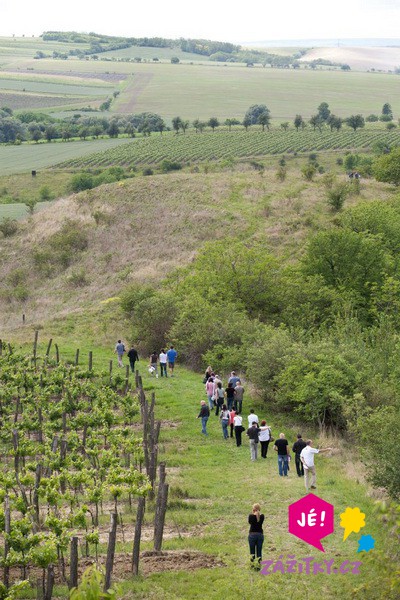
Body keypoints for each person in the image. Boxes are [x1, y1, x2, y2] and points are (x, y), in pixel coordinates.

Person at [248, 503, 264, 569]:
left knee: (252, 552)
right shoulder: (262, 516)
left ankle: (252, 566)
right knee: (259, 552)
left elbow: (250, 522)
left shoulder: (251, 516)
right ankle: (258, 567)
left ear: (253, 509)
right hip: (260, 535)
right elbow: (259, 520)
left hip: (252, 535)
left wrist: (254, 514)